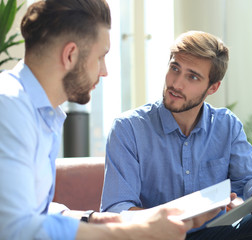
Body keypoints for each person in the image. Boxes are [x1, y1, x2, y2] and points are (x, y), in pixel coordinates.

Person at [0, 1, 219, 239]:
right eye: (101, 57)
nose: (104, 71)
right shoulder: (8, 108)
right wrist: (136, 232)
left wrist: (94, 218)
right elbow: (16, 228)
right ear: (71, 55)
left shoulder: (37, 112)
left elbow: (28, 211)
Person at [101, 30, 252, 239]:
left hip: (215, 234)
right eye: (175, 68)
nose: (176, 84)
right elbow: (116, 210)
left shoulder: (226, 125)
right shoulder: (128, 129)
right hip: (159, 236)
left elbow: (251, 179)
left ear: (212, 87)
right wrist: (179, 216)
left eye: (193, 77)